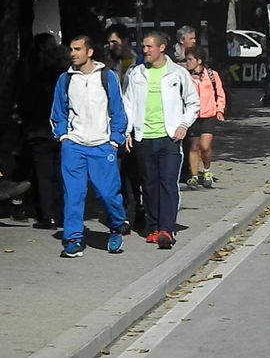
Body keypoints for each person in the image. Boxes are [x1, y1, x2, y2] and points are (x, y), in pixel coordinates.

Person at [50, 35, 129, 258]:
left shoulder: (107, 77)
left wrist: (114, 140)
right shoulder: (65, 79)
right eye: (71, 49)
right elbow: (58, 113)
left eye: (77, 49)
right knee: (73, 194)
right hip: (74, 146)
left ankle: (116, 226)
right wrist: (63, 137)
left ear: (90, 52)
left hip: (102, 146)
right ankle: (73, 239)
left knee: (107, 193)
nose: (72, 53)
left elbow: (118, 111)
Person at [123, 31, 199, 249]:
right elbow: (127, 104)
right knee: (148, 184)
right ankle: (154, 226)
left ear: (161, 48)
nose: (145, 50)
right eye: (143, 47)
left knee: (167, 182)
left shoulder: (178, 73)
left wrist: (183, 125)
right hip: (143, 137)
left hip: (169, 138)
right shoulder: (136, 73)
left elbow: (193, 102)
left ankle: (167, 228)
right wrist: (127, 131)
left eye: (149, 46)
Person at [20, 33, 68, 228]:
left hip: (40, 133)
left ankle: (48, 216)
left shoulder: (38, 77)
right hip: (61, 132)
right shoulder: (67, 79)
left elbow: (26, 104)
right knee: (61, 175)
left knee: (44, 177)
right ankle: (62, 213)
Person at [105, 24, 145, 230]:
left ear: (125, 41)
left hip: (135, 125)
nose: (111, 46)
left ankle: (139, 208)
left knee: (135, 172)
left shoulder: (140, 63)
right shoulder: (110, 65)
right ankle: (122, 214)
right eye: (109, 42)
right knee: (116, 172)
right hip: (113, 126)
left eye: (115, 42)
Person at [184, 45, 226, 189]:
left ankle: (207, 170)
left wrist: (220, 110)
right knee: (194, 146)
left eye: (190, 59)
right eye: (186, 59)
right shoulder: (185, 76)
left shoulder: (212, 75)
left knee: (205, 146)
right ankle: (194, 176)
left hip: (209, 114)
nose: (187, 62)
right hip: (193, 116)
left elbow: (220, 93)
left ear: (199, 60)